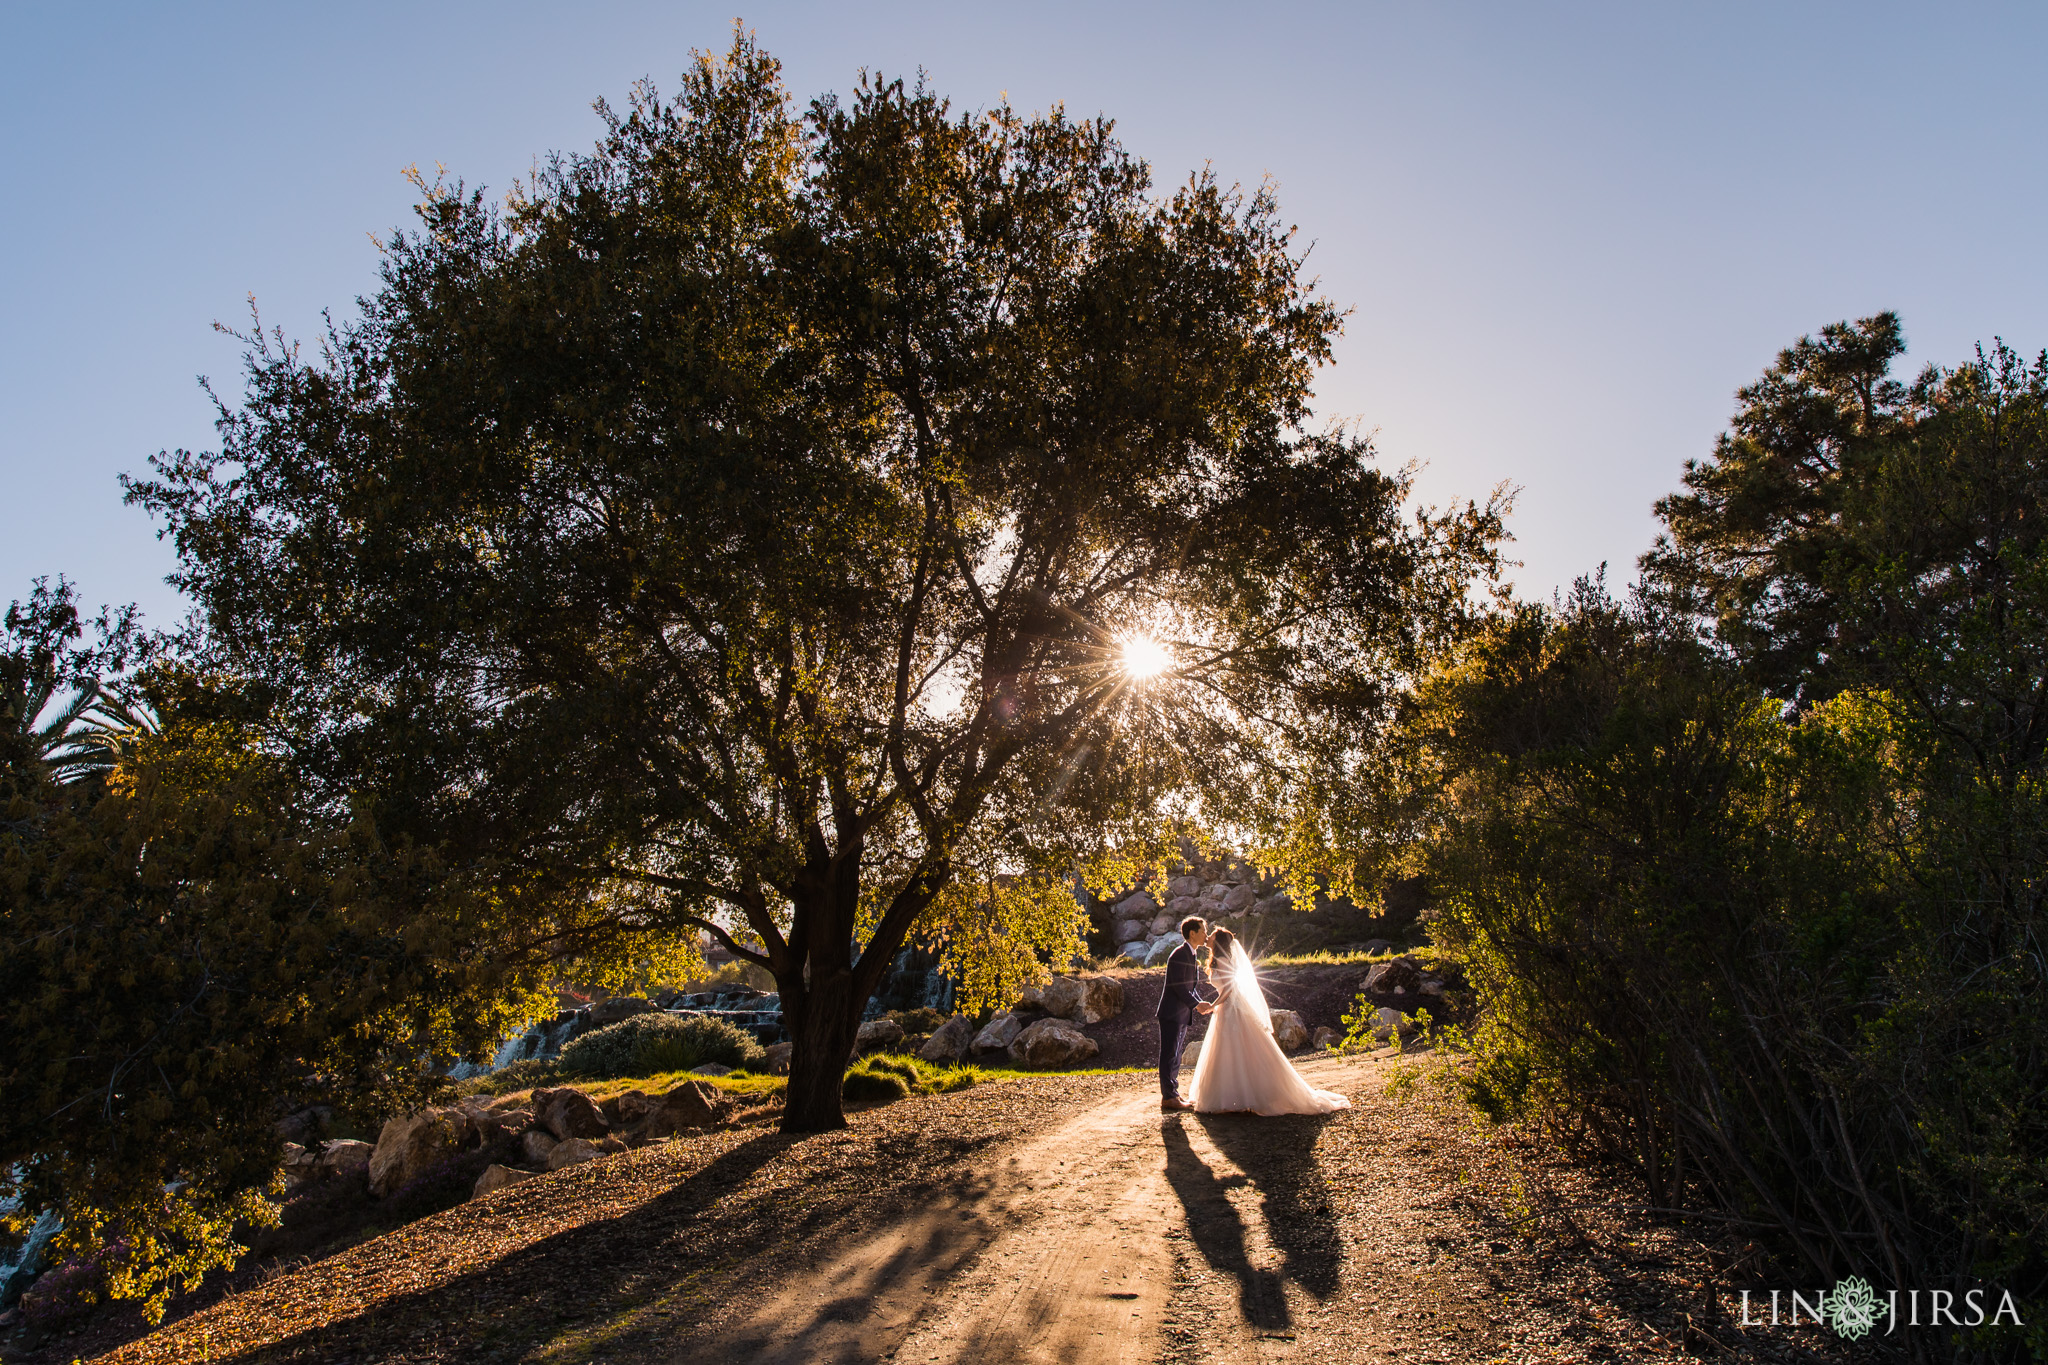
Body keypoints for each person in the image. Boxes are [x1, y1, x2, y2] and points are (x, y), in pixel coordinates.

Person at [1188, 928, 1351, 1115]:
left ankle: (1248, 1096)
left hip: (1232, 1010)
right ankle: (1234, 1096)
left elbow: (1229, 988)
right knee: (1229, 1052)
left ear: (1218, 942)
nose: (1208, 937)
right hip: (1225, 1010)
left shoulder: (1224, 960)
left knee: (1238, 1050)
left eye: (1212, 936)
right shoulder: (1219, 959)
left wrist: (1212, 1006)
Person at [1155, 916, 1215, 1112]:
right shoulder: (1179, 954)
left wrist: (1199, 1002)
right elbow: (1180, 987)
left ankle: (1173, 1093)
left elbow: (1191, 987)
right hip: (1171, 1013)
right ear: (1192, 933)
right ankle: (1169, 1097)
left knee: (1176, 1055)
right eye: (1203, 930)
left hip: (1180, 1013)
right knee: (1169, 1055)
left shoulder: (1191, 954)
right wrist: (1196, 1005)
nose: (1206, 934)